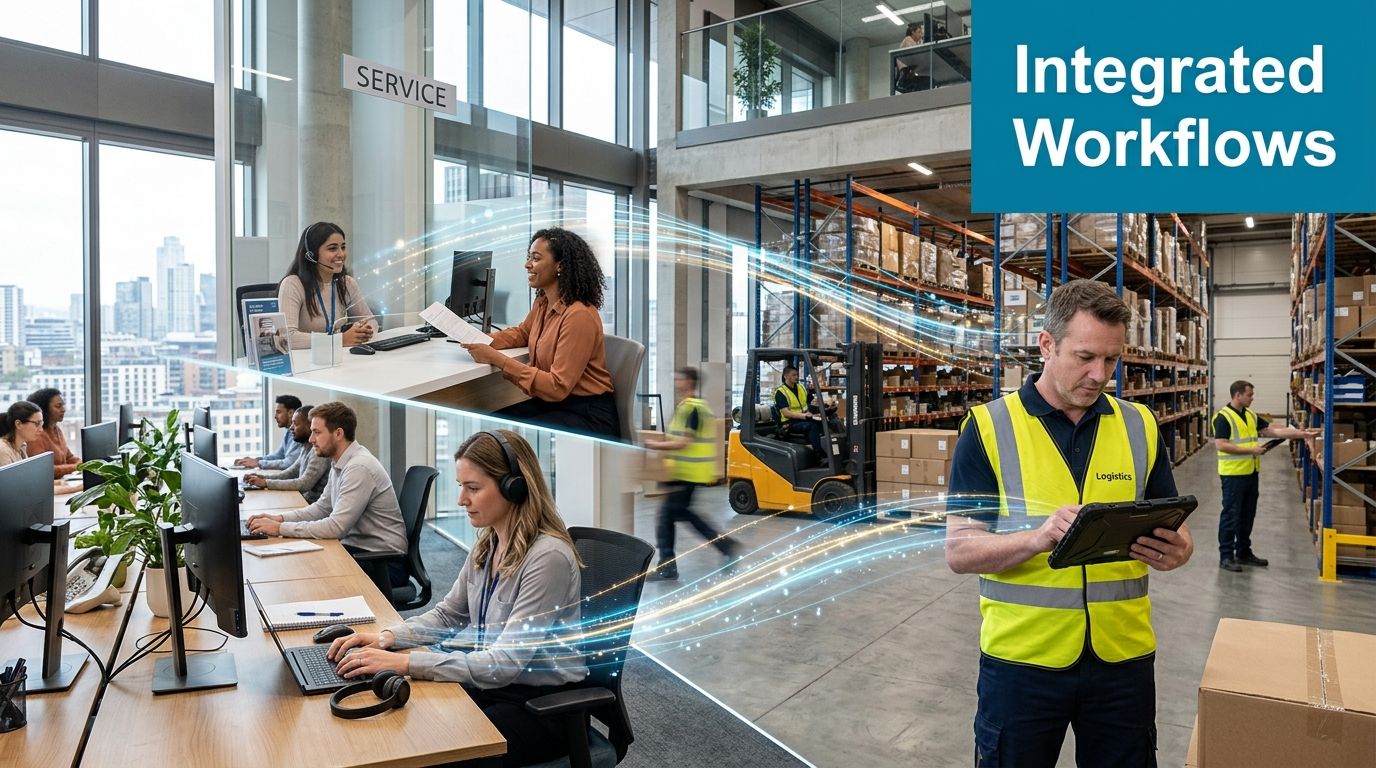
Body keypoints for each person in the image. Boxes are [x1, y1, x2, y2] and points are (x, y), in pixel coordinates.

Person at [945, 279, 1194, 767]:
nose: (1099, 374)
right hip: (1024, 662)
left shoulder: (1138, 424)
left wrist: (1179, 549)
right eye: (1084, 357)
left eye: (1110, 360)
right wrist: (1038, 538)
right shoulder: (990, 427)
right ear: (1046, 345)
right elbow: (960, 552)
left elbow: (1177, 528)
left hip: (1122, 659)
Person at [328, 430, 588, 767]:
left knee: (432, 751)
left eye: (473, 488)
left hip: (542, 709)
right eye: (461, 485)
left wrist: (406, 662)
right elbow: (449, 614)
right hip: (493, 685)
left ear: (515, 487)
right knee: (399, 724)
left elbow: (504, 664)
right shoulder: (489, 542)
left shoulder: (547, 557)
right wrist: (388, 638)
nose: (461, 499)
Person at [461, 228, 620, 439]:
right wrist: (480, 340)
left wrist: (496, 359)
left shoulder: (578, 315)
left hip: (587, 415)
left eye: (535, 258)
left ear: (560, 266)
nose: (527, 265)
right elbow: (523, 333)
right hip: (556, 404)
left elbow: (556, 386)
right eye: (529, 257)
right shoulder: (543, 302)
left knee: (500, 434)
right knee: (494, 420)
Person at [246, 401, 406, 569]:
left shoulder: (359, 467)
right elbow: (322, 508)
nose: (311, 439)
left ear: (338, 434)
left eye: (317, 432)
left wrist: (280, 528)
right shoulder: (339, 461)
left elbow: (335, 528)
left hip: (383, 561)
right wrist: (279, 519)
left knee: (304, 569)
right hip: (357, 549)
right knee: (298, 564)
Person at [1214, 380, 1318, 572]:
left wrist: (1302, 434)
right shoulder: (1223, 417)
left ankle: (1243, 552)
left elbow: (1272, 430)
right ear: (1238, 395)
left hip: (1251, 473)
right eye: (1249, 395)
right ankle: (1226, 556)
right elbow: (1221, 444)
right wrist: (1251, 450)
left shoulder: (1250, 415)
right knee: (1231, 515)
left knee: (1247, 515)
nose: (1252, 398)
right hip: (1232, 476)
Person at [645, 367, 737, 579]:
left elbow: (685, 442)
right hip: (680, 473)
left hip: (687, 474)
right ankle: (725, 547)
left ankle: (669, 566)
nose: (676, 382)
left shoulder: (693, 408)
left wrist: (656, 446)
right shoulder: (687, 406)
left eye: (679, 379)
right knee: (678, 516)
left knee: (669, 517)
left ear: (689, 382)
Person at [277, 221, 377, 349]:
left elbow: (371, 321)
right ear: (311, 255)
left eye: (343, 247)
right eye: (332, 248)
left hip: (339, 358)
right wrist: (339, 340)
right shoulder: (293, 284)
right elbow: (287, 338)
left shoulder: (347, 283)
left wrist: (364, 331)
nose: (341, 254)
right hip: (306, 363)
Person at [242, 405, 330, 503]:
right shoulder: (306, 447)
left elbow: (305, 483)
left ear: (310, 426)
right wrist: (262, 478)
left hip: (310, 505)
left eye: (295, 424)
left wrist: (266, 483)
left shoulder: (318, 451)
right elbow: (291, 472)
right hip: (302, 501)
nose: (291, 428)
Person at [0, 401, 80, 494]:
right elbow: (23, 491)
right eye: (37, 424)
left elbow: (29, 484)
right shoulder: (3, 450)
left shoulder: (22, 447)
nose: (41, 429)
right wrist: (77, 488)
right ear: (18, 424)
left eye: (41, 424)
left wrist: (63, 482)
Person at [234, 394, 304, 469]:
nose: (275, 416)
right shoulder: (288, 431)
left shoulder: (300, 434)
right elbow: (279, 455)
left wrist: (258, 463)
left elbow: (289, 463)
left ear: (290, 413)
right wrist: (256, 460)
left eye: (279, 412)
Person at [774, 366, 830, 457]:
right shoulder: (781, 392)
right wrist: (803, 416)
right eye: (793, 375)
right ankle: (819, 455)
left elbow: (807, 405)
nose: (796, 377)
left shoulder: (801, 388)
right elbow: (786, 413)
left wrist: (823, 408)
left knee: (824, 424)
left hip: (803, 420)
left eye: (797, 375)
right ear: (786, 376)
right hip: (789, 423)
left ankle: (827, 451)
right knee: (812, 426)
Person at [25, 388, 80, 479]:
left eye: (63, 405)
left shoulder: (56, 429)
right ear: (44, 410)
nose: (63, 410)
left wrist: (84, 464)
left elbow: (69, 457)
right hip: (48, 485)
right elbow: (43, 469)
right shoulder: (35, 435)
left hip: (62, 481)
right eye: (58, 406)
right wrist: (77, 467)